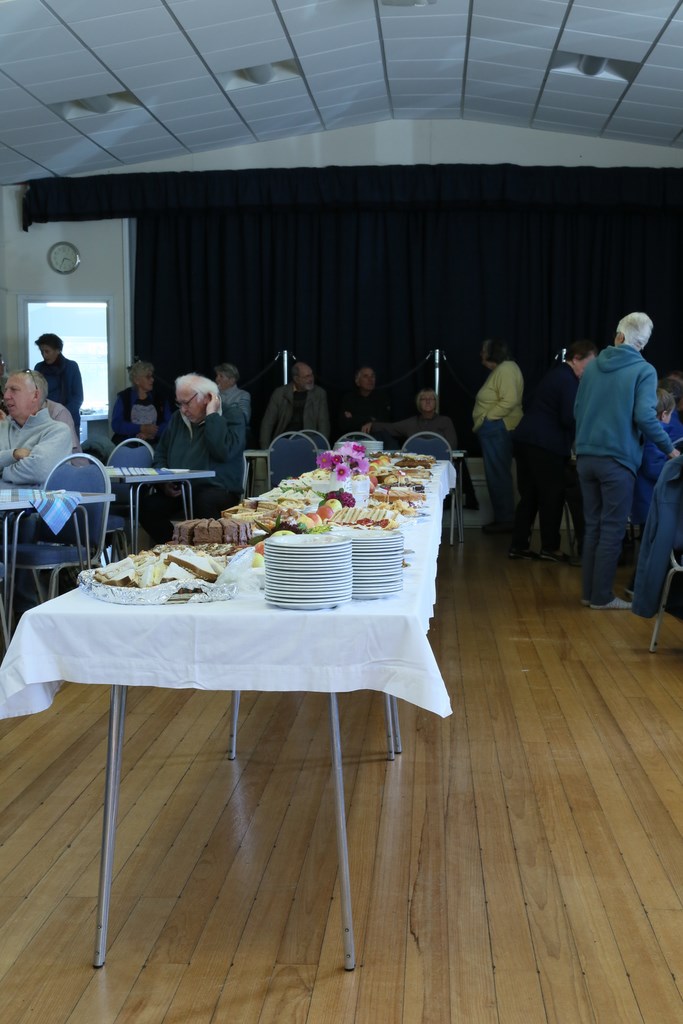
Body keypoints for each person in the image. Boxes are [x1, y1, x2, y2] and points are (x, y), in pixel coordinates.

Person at [574, 312, 680, 611]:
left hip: (585, 456)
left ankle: (588, 593)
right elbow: (645, 416)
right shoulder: (644, 371)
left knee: (593, 525)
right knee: (612, 529)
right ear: (642, 343)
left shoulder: (593, 369)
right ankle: (602, 596)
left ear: (619, 336)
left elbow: (577, 408)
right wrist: (669, 450)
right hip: (617, 459)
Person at [509, 340, 597, 561]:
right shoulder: (568, 380)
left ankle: (519, 545)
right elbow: (569, 417)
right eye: (587, 366)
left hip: (525, 439)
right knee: (552, 495)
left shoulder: (556, 375)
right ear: (576, 359)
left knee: (529, 495)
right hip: (545, 445)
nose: (587, 373)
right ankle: (550, 547)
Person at [138, 373, 245, 544]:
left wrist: (212, 416)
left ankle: (211, 554)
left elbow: (223, 451)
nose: (183, 409)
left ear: (208, 398)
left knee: (203, 501)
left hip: (218, 489)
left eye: (186, 403)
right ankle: (178, 547)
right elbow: (160, 454)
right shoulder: (177, 420)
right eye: (179, 403)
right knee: (147, 507)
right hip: (180, 489)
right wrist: (164, 483)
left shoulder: (232, 416)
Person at [472, 338, 524, 533]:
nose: (481, 354)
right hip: (496, 429)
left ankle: (506, 519)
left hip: (498, 428)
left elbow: (509, 400)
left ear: (492, 352)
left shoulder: (506, 369)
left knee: (498, 475)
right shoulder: (503, 369)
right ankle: (504, 518)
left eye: (484, 350)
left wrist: (488, 418)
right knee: (497, 474)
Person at [0, 370, 72, 485]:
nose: (6, 396)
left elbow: (38, 471)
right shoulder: (2, 426)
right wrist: (13, 454)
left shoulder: (58, 431)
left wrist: (3, 471)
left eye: (14, 390)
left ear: (35, 395)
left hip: (35, 503)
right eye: (6, 390)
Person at [259, 361, 330, 448]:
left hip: (310, 441)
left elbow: (323, 422)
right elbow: (268, 423)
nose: (311, 379)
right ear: (296, 379)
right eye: (307, 377)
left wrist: (322, 447)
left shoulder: (319, 393)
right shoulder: (280, 393)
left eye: (311, 375)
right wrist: (265, 449)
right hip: (284, 439)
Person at [363, 388, 458, 448]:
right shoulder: (411, 423)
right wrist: (373, 425)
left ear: (436, 402)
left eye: (431, 399)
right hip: (416, 467)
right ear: (418, 403)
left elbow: (452, 446)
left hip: (441, 463)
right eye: (424, 399)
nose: (428, 401)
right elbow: (391, 427)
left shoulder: (445, 421)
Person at [111, 360, 172, 445]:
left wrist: (151, 432)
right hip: (127, 446)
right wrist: (141, 428)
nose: (152, 380)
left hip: (155, 446)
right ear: (137, 380)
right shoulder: (124, 398)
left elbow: (170, 425)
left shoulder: (160, 398)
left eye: (152, 376)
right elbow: (116, 425)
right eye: (148, 377)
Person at [33, 333, 84, 434]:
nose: (44, 355)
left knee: (71, 449)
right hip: (45, 421)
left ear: (58, 350)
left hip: (69, 418)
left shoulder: (71, 367)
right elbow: (36, 395)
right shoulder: (39, 367)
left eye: (47, 351)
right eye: (41, 351)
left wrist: (61, 413)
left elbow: (78, 397)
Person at [337, 366, 391, 437]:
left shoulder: (382, 398)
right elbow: (344, 424)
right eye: (365, 376)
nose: (370, 379)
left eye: (372, 376)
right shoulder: (349, 398)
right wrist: (370, 419)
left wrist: (355, 417)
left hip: (379, 438)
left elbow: (385, 422)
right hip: (354, 439)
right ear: (357, 382)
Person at [215, 362, 251, 426]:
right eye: (217, 376)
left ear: (232, 380)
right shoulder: (214, 395)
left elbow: (244, 418)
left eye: (221, 376)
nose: (217, 379)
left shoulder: (243, 395)